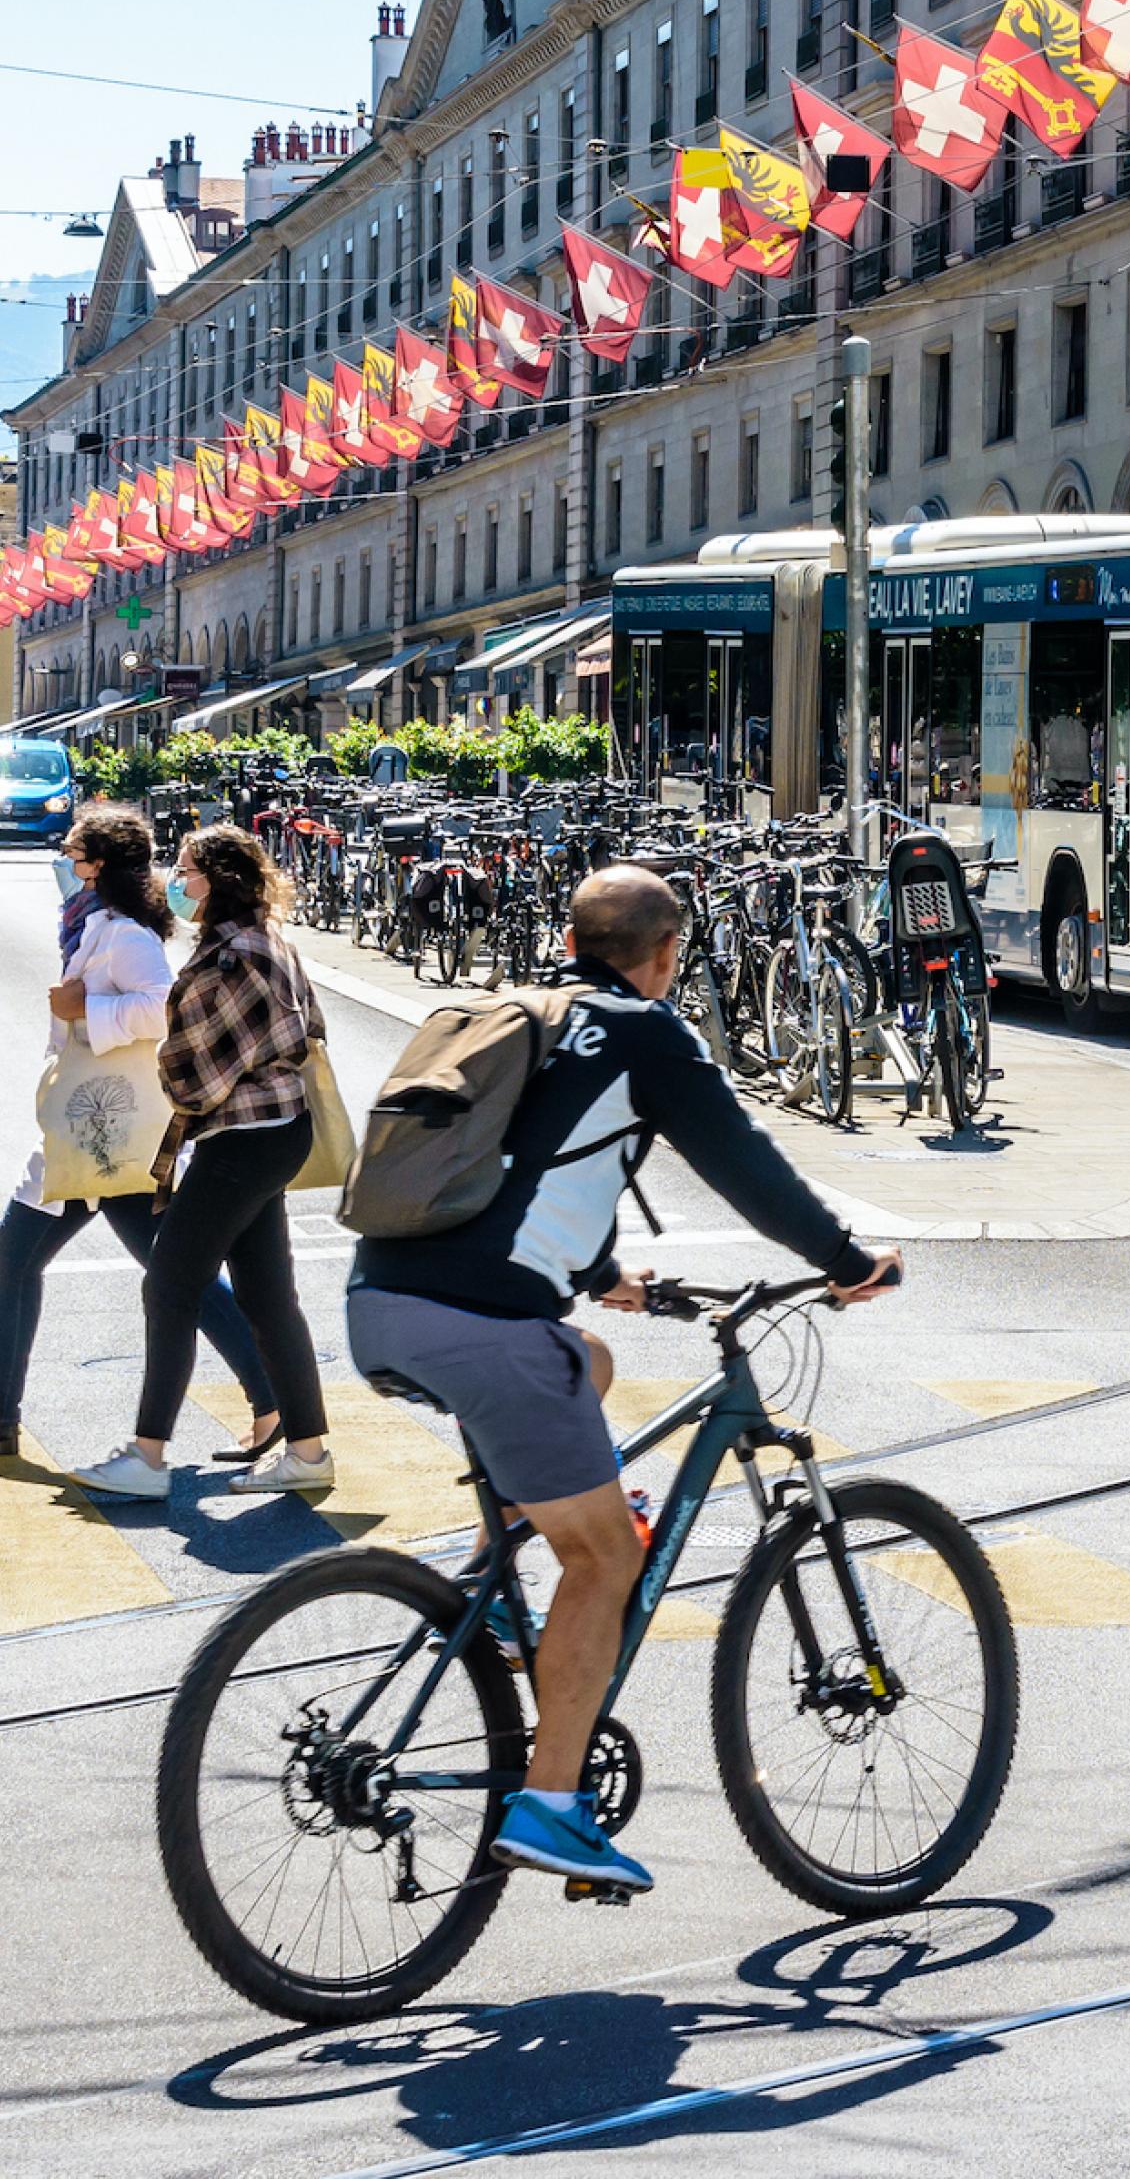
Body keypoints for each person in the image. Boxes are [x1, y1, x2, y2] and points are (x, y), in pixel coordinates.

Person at [345, 864, 901, 1896]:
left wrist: (605, 1276)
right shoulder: (649, 1033)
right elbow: (746, 1165)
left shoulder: (530, 1011)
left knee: (586, 1361)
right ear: (667, 957)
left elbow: (518, 1161)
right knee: (605, 1558)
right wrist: (842, 1257)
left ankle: (500, 1588)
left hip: (378, 1301)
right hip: (486, 1329)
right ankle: (552, 1807)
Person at [0, 810, 278, 1465]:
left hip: (109, 1134)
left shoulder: (126, 934)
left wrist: (83, 1012)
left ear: (97, 863)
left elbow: (162, 1006)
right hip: (95, 1134)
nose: (64, 858)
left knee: (20, 1265)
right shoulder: (94, 921)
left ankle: (273, 1397)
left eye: (73, 849)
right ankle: (273, 1399)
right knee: (168, 1274)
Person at [73, 827, 335, 1501]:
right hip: (280, 1131)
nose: (178, 881)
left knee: (169, 1284)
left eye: (187, 870)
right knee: (267, 1297)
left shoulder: (229, 959)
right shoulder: (269, 937)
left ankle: (148, 1458)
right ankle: (307, 1451)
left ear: (217, 879)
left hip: (242, 1141)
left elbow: (191, 1072)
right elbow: (309, 1030)